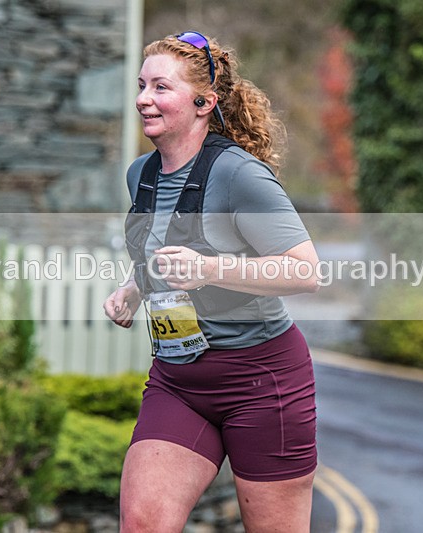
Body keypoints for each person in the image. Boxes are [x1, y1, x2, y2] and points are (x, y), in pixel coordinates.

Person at [103, 30, 321, 532]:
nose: (143, 99)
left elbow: (306, 270)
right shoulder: (142, 174)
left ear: (205, 102)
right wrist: (134, 290)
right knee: (143, 524)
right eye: (141, 86)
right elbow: (161, 252)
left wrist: (209, 268)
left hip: (262, 383)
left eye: (161, 87)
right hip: (178, 381)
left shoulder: (240, 177)